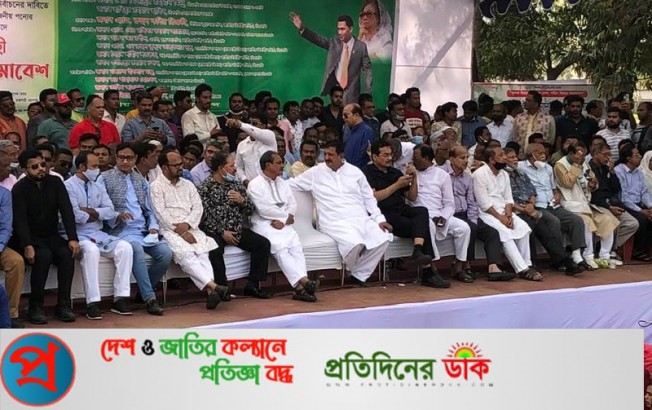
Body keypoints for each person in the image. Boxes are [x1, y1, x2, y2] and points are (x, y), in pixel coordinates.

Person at [290, 140, 392, 285]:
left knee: (383, 237)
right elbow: (290, 184)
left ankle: (359, 274)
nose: (326, 158)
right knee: (354, 243)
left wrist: (379, 219)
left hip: (360, 219)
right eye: (325, 154)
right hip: (333, 221)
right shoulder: (315, 173)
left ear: (341, 155)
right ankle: (356, 271)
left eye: (331, 154)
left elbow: (369, 198)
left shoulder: (355, 172)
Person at [363, 140, 449, 288]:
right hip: (382, 213)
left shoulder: (395, 172)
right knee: (420, 226)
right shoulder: (366, 172)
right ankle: (428, 272)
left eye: (390, 155)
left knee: (422, 211)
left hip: (401, 208)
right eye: (385, 155)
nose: (390, 158)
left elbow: (412, 197)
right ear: (374, 157)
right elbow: (373, 198)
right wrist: (397, 185)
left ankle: (418, 250)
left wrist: (413, 178)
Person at [150, 149, 228, 310]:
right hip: (170, 231)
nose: (181, 167)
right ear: (164, 167)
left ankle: (211, 291)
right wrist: (182, 232)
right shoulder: (156, 187)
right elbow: (160, 214)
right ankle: (213, 287)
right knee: (186, 254)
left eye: (180, 164)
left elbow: (198, 208)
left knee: (203, 253)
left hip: (191, 227)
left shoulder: (188, 184)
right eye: (176, 165)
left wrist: (188, 225)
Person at [102, 142, 173, 315]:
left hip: (142, 230)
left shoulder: (140, 179)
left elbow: (149, 209)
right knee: (136, 249)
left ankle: (142, 292)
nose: (125, 161)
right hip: (120, 230)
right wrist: (117, 215)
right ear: (116, 158)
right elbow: (102, 207)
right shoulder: (105, 178)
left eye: (129, 158)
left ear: (135, 159)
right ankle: (150, 298)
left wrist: (153, 227)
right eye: (121, 157)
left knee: (166, 253)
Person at [12, 150, 80, 324]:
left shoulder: (55, 182)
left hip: (51, 235)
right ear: (24, 169)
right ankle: (35, 307)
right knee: (43, 256)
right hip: (30, 238)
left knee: (66, 254)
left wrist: (73, 238)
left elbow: (66, 210)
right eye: (34, 167)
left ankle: (63, 305)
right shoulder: (19, 188)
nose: (41, 169)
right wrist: (27, 245)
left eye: (43, 164)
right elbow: (20, 220)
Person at [65, 152, 134, 320]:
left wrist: (90, 211)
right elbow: (75, 216)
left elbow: (110, 211)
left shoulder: (97, 186)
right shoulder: (68, 186)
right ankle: (92, 302)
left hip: (98, 233)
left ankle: (120, 298)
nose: (97, 170)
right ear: (81, 167)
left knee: (125, 248)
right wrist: (98, 213)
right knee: (91, 251)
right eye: (94, 166)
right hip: (78, 234)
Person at [198, 152, 272, 299]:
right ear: (221, 168)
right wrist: (222, 232)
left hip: (237, 229)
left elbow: (251, 210)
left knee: (262, 244)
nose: (235, 168)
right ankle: (222, 289)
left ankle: (252, 285)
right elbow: (203, 218)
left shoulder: (236, 184)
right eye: (231, 166)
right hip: (216, 231)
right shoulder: (205, 188)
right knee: (214, 250)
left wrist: (242, 201)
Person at [248, 151, 320, 301]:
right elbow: (263, 209)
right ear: (268, 165)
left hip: (283, 223)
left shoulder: (282, 182)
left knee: (296, 247)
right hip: (264, 224)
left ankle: (302, 286)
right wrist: (284, 217)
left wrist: (286, 219)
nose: (282, 165)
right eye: (279, 163)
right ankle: (303, 283)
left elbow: (292, 203)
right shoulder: (254, 185)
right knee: (280, 249)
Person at [504, 148, 584, 274]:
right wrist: (525, 210)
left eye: (515, 157)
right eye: (512, 157)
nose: (515, 159)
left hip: (529, 208)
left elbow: (532, 192)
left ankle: (563, 261)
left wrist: (531, 204)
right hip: (515, 211)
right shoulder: (502, 175)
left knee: (544, 225)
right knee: (528, 225)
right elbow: (506, 199)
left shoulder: (520, 173)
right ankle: (530, 263)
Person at [472, 147, 542, 281]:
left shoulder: (504, 174)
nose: (504, 158)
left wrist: (509, 215)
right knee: (505, 234)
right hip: (486, 213)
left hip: (504, 211)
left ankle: (527, 264)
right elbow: (483, 203)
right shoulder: (479, 174)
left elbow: (508, 198)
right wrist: (501, 218)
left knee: (523, 227)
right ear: (492, 160)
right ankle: (522, 269)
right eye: (501, 155)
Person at [411, 145, 473, 283]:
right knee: (428, 226)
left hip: (440, 213)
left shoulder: (442, 175)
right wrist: (412, 176)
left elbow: (450, 204)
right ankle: (432, 270)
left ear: (427, 158)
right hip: (420, 215)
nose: (413, 161)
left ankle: (458, 267)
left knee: (464, 228)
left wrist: (443, 217)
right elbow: (411, 199)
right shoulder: (411, 173)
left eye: (416, 158)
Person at [555, 143, 620, 269]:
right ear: (571, 154)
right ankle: (588, 256)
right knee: (586, 222)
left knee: (607, 219)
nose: (582, 158)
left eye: (584, 155)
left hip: (586, 203)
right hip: (570, 204)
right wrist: (576, 165)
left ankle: (604, 256)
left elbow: (593, 180)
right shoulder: (560, 165)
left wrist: (593, 185)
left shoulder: (584, 163)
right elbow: (567, 183)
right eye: (579, 155)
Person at [290, 12, 372, 105]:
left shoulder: (361, 47)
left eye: (342, 29)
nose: (339, 32)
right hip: (334, 91)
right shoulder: (334, 42)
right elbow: (318, 39)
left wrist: (368, 94)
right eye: (338, 29)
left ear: (351, 29)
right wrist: (302, 29)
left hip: (352, 93)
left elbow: (367, 71)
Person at [614, 144, 652, 260]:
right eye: (637, 155)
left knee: (650, 217)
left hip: (638, 204)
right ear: (629, 158)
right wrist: (641, 211)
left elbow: (644, 192)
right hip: (624, 205)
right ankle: (637, 250)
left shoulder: (638, 172)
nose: (640, 157)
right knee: (642, 219)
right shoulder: (619, 171)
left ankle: (645, 249)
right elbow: (624, 197)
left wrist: (650, 206)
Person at [0, 160, 25, 327]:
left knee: (16, 261)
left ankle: (10, 314)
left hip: (0, 244)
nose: (8, 170)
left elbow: (6, 226)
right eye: (4, 167)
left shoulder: (4, 194)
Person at [233, 114, 277, 186]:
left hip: (270, 185)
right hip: (250, 186)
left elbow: (254, 131)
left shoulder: (270, 136)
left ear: (263, 126)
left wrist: (240, 124)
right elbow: (239, 167)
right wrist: (244, 180)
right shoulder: (241, 145)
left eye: (254, 123)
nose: (250, 126)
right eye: (249, 123)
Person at [344, 103, 375, 168]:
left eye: (346, 115)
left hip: (359, 171)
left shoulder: (367, 131)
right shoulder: (350, 131)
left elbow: (362, 158)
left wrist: (353, 170)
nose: (343, 117)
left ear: (356, 115)